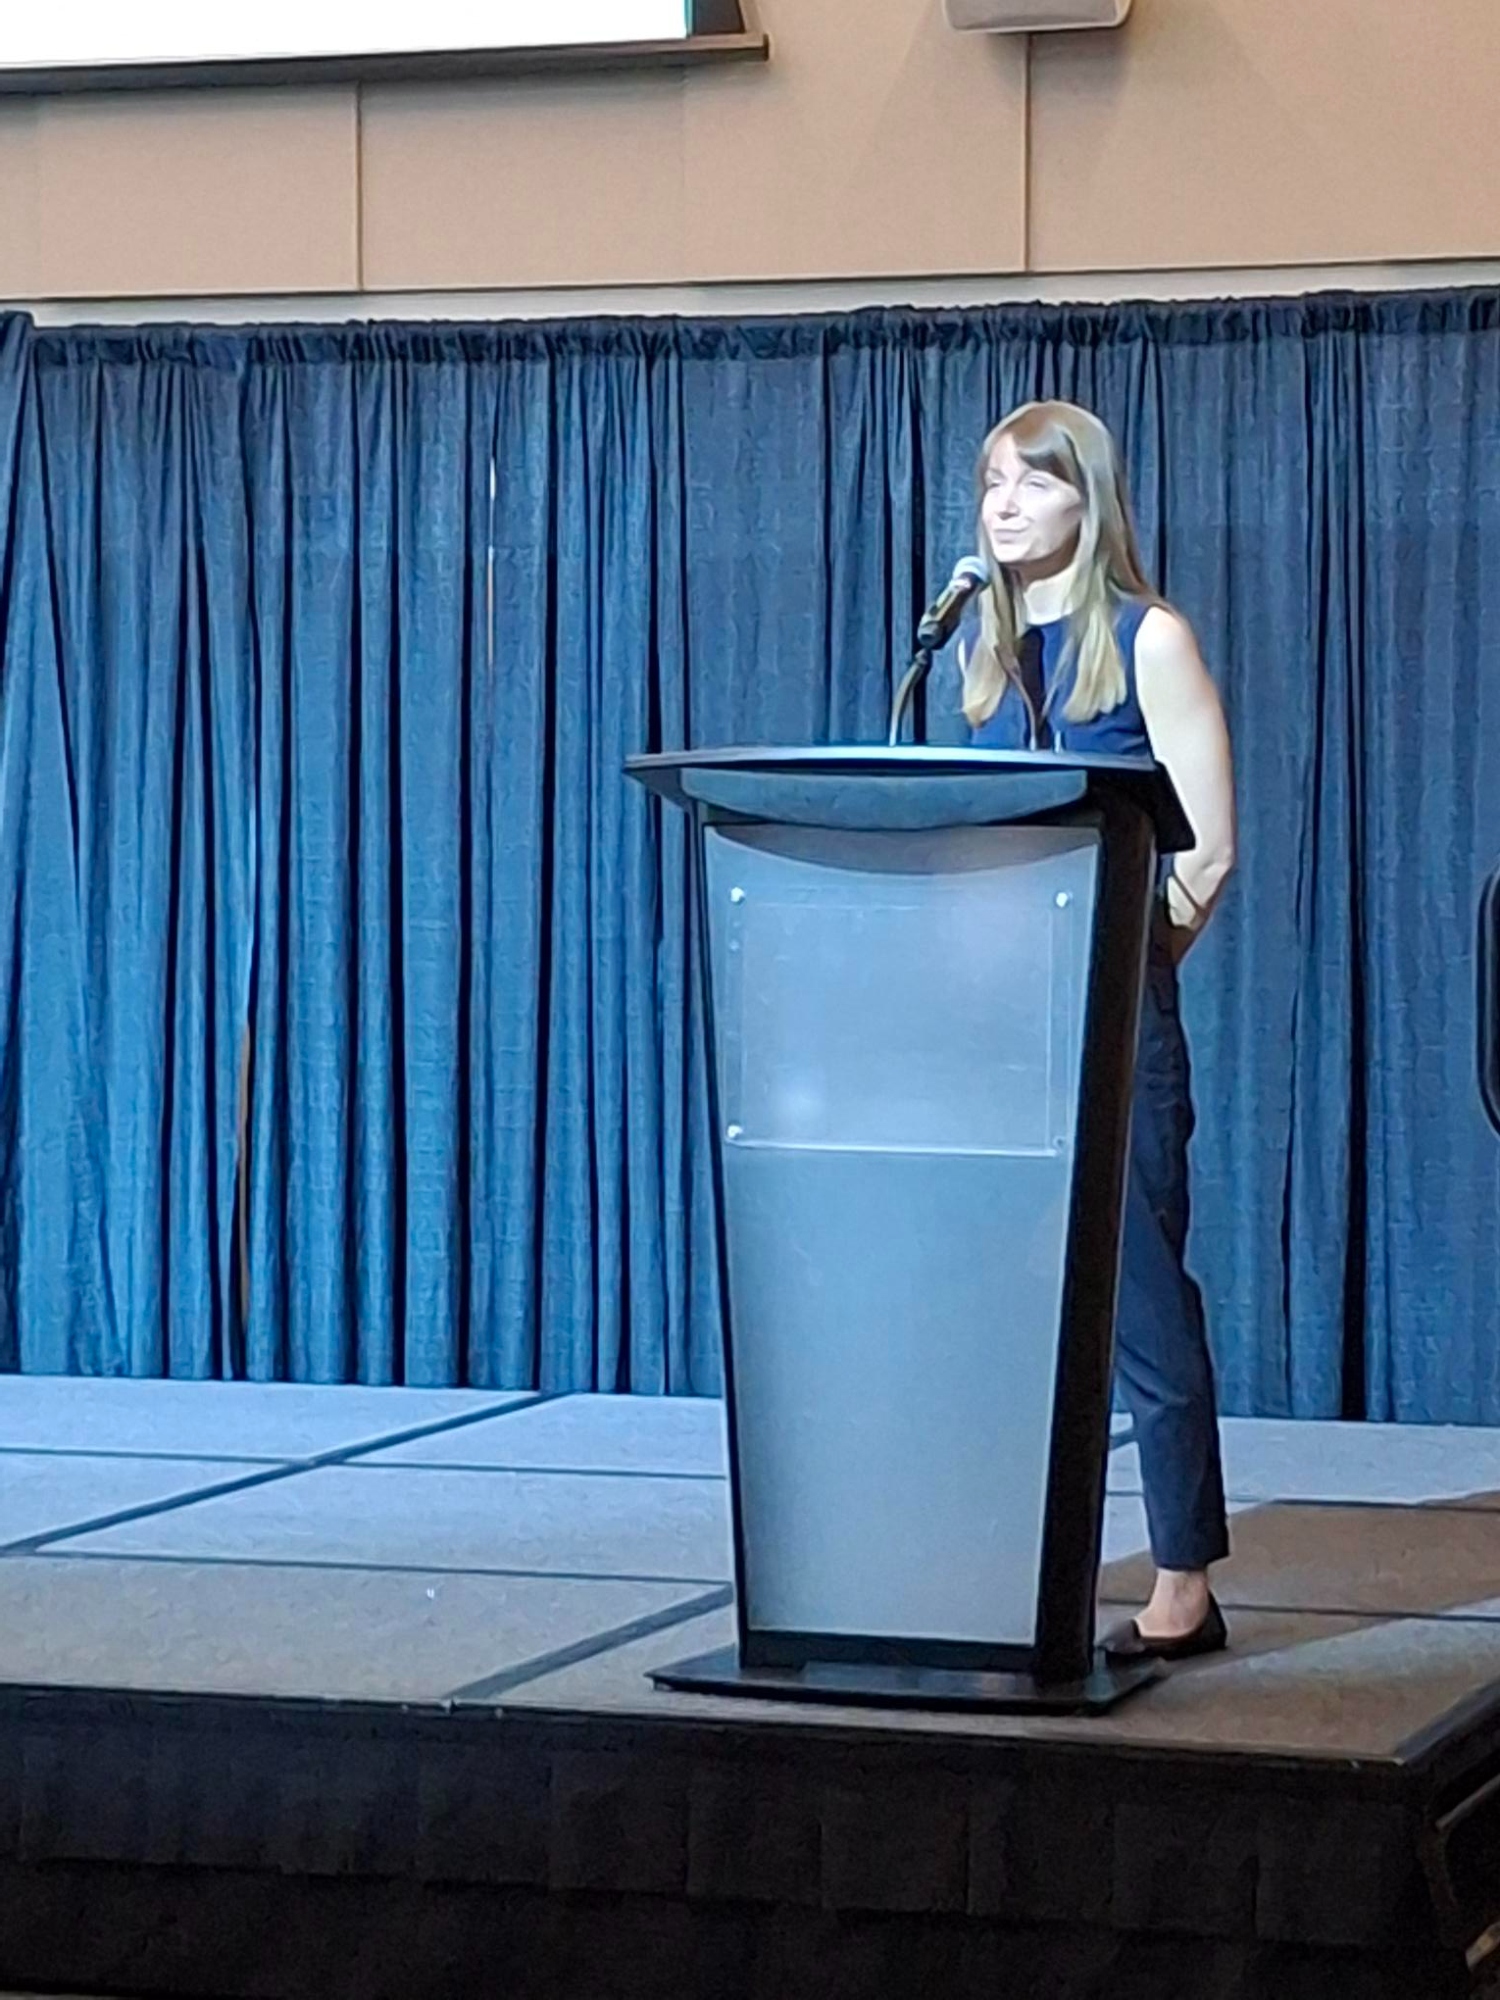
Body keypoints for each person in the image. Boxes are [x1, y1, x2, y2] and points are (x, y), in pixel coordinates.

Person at [954, 400, 1237, 1660]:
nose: (1003, 505)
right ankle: (1013, 1549)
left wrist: (1132, 963)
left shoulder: (1147, 637)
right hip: (1001, 1021)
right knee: (1004, 1296)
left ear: (1089, 497)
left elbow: (1207, 848)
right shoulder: (987, 653)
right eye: (990, 484)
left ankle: (1185, 1576)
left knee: (1141, 1298)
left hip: (1113, 1012)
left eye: (1030, 482)